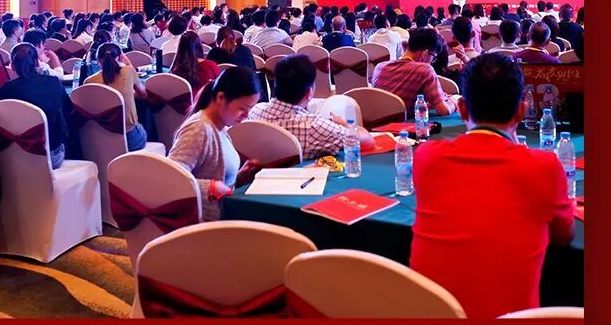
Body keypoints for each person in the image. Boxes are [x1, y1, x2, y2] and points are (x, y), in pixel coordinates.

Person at [409, 53, 575, 318]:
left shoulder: (426, 156)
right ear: (522, 111)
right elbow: (563, 235)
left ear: (462, 109)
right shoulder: (544, 167)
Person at [168, 66, 260, 219]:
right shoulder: (199, 129)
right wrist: (210, 187)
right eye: (242, 108)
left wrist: (237, 177)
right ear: (221, 98)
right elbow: (171, 179)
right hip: (205, 223)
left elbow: (212, 174)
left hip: (220, 214)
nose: (246, 115)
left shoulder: (220, 126)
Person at [248, 54, 376, 158]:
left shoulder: (254, 111)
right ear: (309, 93)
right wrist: (344, 124)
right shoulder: (314, 126)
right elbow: (368, 141)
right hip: (303, 181)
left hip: (259, 181)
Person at [0, 42, 75, 169]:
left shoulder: (7, 89)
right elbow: (69, 110)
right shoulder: (53, 83)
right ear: (37, 62)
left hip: (14, 155)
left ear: (12, 66)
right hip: (51, 155)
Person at [372, 29, 459, 116]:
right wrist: (454, 102)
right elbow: (444, 111)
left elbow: (396, 104)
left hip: (378, 121)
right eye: (433, 57)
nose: (432, 61)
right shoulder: (425, 70)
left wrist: (432, 102)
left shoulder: (379, 67)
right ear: (425, 54)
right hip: (403, 123)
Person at [95, 43, 148, 151]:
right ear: (120, 57)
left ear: (98, 60)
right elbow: (144, 95)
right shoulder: (129, 71)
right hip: (130, 139)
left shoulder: (89, 81)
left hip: (101, 139)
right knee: (146, 115)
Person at [171, 31, 221, 97]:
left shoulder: (175, 71)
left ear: (180, 48)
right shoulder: (211, 66)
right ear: (199, 46)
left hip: (183, 103)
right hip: (204, 102)